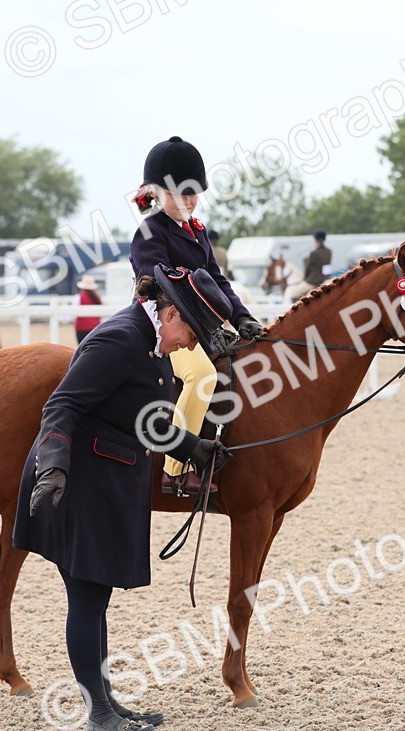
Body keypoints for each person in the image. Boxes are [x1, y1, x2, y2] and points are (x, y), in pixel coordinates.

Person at [14, 266, 234, 731]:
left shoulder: (150, 339)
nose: (191, 346)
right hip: (76, 479)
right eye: (191, 334)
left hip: (105, 479)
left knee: (96, 596)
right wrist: (53, 465)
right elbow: (62, 406)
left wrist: (193, 448)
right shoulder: (118, 339)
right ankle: (97, 713)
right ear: (171, 313)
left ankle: (106, 700)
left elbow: (139, 416)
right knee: (88, 597)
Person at [129, 136, 263, 495]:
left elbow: (216, 281)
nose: (188, 200)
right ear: (155, 193)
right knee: (202, 375)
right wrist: (207, 326)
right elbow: (164, 287)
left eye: (193, 192)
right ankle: (175, 469)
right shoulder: (149, 232)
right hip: (163, 329)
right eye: (178, 193)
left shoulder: (198, 231)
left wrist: (241, 318)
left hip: (201, 327)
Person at [287, 230, 332, 302]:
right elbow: (327, 266)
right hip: (324, 280)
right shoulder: (329, 251)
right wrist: (326, 278)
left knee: (294, 294)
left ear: (316, 240)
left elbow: (308, 269)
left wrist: (305, 278)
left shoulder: (313, 253)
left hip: (312, 281)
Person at [73, 275, 103, 343]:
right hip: (96, 327)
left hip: (81, 327)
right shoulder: (98, 297)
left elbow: (74, 311)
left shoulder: (78, 297)